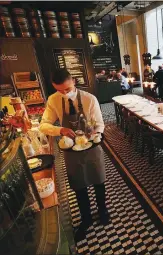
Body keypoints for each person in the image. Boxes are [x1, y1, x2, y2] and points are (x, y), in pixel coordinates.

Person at [39, 69, 109, 241]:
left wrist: (94, 132)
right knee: (79, 185)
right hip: (71, 151)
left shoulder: (89, 99)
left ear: (74, 82)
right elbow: (44, 125)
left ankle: (103, 210)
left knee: (99, 180)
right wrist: (59, 129)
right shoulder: (53, 100)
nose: (64, 93)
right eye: (59, 90)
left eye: (67, 89)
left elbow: (100, 124)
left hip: (92, 147)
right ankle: (86, 219)